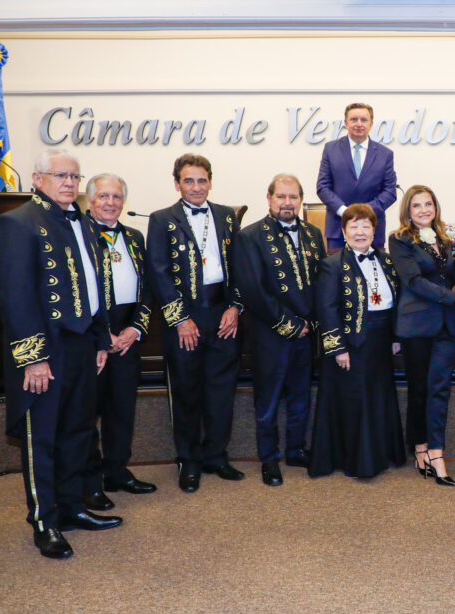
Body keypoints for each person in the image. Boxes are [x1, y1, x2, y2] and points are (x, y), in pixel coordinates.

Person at [0, 149, 120, 559]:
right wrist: (33, 357)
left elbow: (94, 287)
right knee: (41, 438)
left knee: (78, 432)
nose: (69, 183)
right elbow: (14, 296)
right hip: (46, 349)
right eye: (60, 175)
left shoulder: (80, 221)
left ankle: (72, 507)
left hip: (81, 346)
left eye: (74, 177)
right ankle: (44, 522)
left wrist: (100, 340)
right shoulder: (17, 223)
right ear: (37, 178)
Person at [145, 154, 244, 493]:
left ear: (210, 182)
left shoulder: (227, 216)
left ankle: (216, 454)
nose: (196, 187)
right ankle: (188, 460)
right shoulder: (161, 219)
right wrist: (180, 319)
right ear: (177, 184)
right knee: (186, 391)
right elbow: (157, 272)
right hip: (184, 318)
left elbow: (239, 266)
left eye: (202, 180)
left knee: (221, 390)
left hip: (222, 314)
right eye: (189, 181)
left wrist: (235, 307)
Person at [390, 185, 455, 486]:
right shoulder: (399, 240)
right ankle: (421, 448)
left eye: (428, 204)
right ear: (408, 210)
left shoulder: (444, 238)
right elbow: (415, 281)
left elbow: (449, 277)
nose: (423, 210)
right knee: (420, 390)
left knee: (439, 390)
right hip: (417, 326)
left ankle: (436, 452)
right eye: (417, 205)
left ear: (435, 207)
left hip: (445, 325)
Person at [233, 174, 326, 486]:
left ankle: (296, 449)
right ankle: (269, 458)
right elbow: (254, 290)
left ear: (300, 200)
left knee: (301, 395)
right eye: (281, 197)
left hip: (306, 332)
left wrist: (310, 323)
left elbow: (321, 284)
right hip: (270, 333)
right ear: (269, 198)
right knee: (268, 400)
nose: (288, 203)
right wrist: (289, 325)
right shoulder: (250, 236)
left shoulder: (314, 233)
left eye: (293, 197)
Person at [310, 204, 406, 478]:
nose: (360, 232)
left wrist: (395, 337)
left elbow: (396, 301)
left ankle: (380, 454)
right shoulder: (331, 264)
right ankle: (357, 462)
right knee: (354, 401)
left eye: (366, 226)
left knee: (378, 398)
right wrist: (338, 347)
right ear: (343, 231)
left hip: (380, 340)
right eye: (354, 226)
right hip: (350, 343)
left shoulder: (386, 260)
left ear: (375, 230)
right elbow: (326, 309)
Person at [83, 173, 156, 512]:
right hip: (91, 339)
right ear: (89, 200)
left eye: (116, 197)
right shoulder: (77, 235)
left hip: (128, 336)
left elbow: (147, 290)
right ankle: (90, 481)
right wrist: (103, 334)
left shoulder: (134, 237)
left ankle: (117, 471)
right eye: (104, 197)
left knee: (122, 408)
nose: (110, 203)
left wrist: (135, 330)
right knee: (88, 413)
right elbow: (76, 295)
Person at [316, 102, 398, 249]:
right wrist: (345, 212)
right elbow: (323, 187)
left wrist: (365, 213)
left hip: (373, 229)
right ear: (346, 123)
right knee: (338, 272)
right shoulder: (330, 149)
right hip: (338, 229)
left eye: (364, 120)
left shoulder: (385, 154)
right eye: (354, 119)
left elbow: (390, 192)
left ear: (371, 123)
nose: (359, 124)